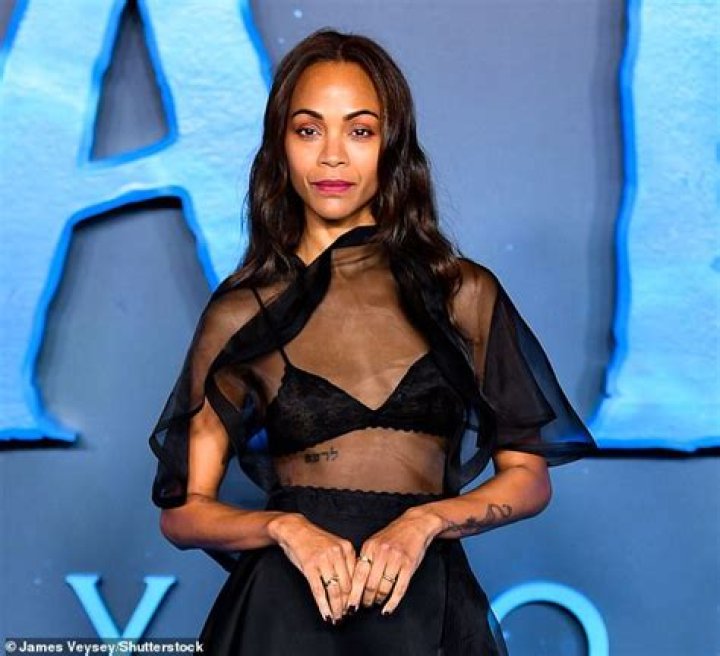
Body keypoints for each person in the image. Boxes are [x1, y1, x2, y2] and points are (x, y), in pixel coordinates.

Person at [148, 28, 597, 655]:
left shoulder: (461, 294)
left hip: (427, 607)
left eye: (359, 131)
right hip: (282, 616)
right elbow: (183, 513)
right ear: (280, 146)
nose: (333, 156)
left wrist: (426, 520)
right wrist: (283, 528)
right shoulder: (243, 311)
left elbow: (528, 477)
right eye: (309, 130)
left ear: (393, 145)